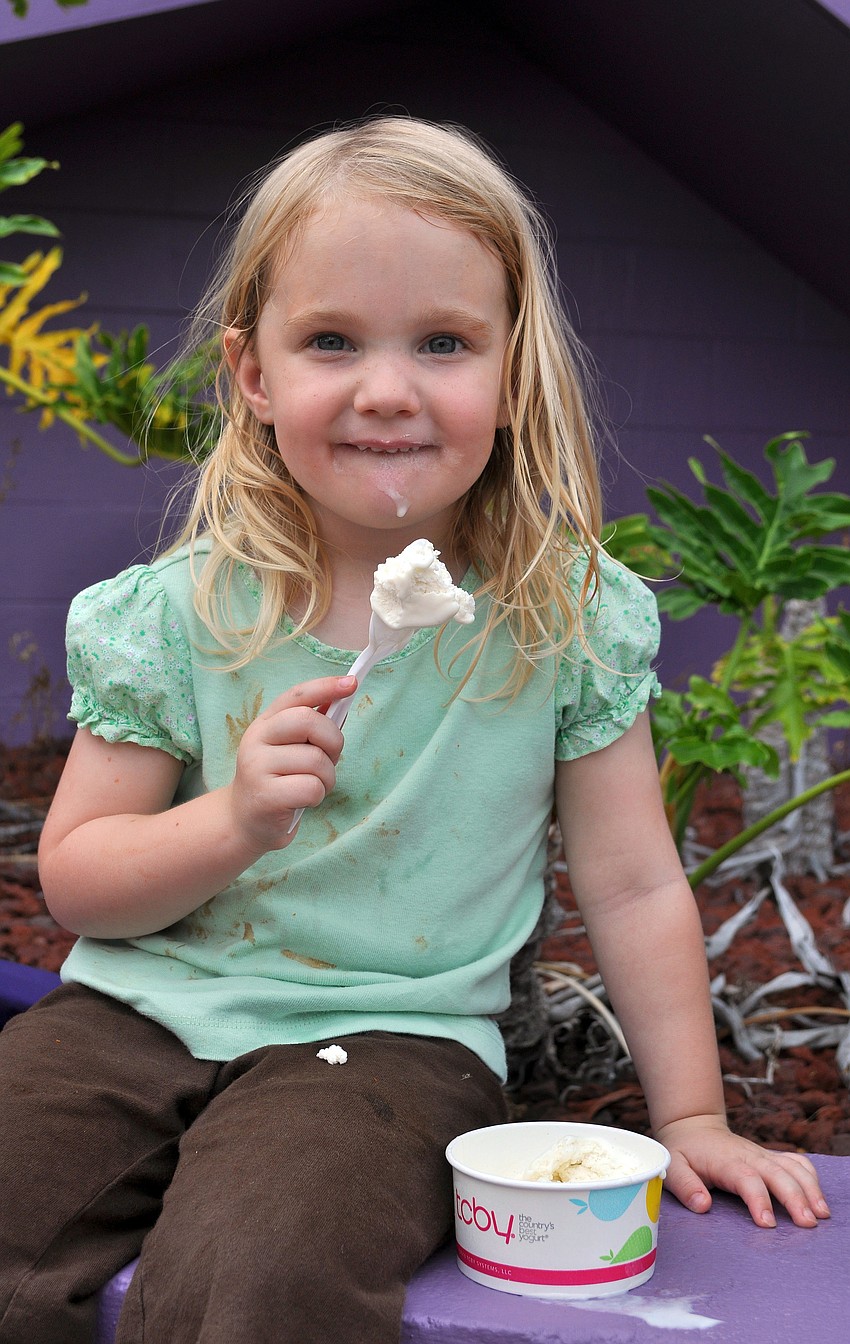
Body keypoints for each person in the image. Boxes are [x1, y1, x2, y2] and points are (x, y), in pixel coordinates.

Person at [0, 116, 828, 1344]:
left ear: (512, 373)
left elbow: (635, 880)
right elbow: (81, 886)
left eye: (443, 343)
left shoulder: (565, 617)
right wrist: (230, 821)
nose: (386, 389)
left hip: (392, 1042)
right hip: (130, 1011)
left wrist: (692, 1118)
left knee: (262, 1270)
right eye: (331, 341)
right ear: (253, 375)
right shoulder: (174, 615)